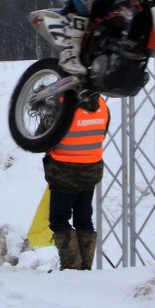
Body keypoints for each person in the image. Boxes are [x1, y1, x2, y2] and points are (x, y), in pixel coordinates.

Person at [43, 97, 111, 270]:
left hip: (64, 172)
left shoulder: (59, 102)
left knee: (59, 219)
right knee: (83, 218)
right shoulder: (101, 103)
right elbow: (102, 132)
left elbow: (41, 136)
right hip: (91, 171)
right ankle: (85, 268)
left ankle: (72, 268)